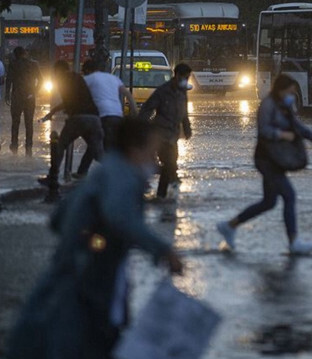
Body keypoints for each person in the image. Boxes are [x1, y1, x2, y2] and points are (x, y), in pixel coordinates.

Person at [4, 119, 184, 359]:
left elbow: (58, 219)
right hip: (92, 282)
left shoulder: (105, 171)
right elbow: (120, 217)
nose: (155, 162)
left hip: (73, 276)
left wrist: (87, 235)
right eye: (151, 153)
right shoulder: (124, 176)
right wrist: (163, 251)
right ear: (134, 149)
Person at [216, 74, 312, 255]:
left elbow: (298, 127)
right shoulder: (268, 105)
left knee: (268, 202)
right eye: (290, 91)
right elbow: (264, 130)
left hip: (277, 159)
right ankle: (294, 241)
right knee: (289, 195)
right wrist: (281, 134)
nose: (293, 94)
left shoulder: (285, 106)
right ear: (281, 89)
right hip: (266, 159)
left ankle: (229, 226)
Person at [39, 61, 104, 202]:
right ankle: (121, 174)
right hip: (94, 118)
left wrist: (66, 114)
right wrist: (53, 112)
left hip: (78, 118)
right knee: (99, 153)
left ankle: (53, 176)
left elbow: (69, 101)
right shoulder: (78, 78)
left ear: (58, 71)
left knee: (60, 146)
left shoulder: (63, 80)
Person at [75, 59, 138, 178]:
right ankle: (82, 172)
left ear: (87, 71)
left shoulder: (89, 78)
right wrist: (134, 110)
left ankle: (117, 172)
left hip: (103, 116)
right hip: (117, 115)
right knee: (96, 143)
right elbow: (127, 94)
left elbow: (75, 94)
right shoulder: (112, 78)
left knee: (103, 145)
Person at [138, 63, 193, 199]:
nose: (186, 79)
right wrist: (141, 127)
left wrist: (187, 128)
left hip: (173, 135)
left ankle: (166, 192)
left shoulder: (182, 92)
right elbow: (147, 108)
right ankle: (159, 193)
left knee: (171, 163)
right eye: (184, 77)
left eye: (188, 77)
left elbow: (184, 112)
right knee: (168, 163)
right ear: (177, 75)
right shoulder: (163, 91)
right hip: (160, 134)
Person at [5, 47, 43, 156]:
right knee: (29, 123)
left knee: (15, 122)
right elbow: (41, 80)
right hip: (30, 97)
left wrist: (7, 95)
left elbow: (9, 80)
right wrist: (34, 92)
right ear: (24, 53)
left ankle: (14, 145)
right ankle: (29, 146)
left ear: (15, 55)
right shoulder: (34, 64)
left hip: (17, 97)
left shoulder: (13, 64)